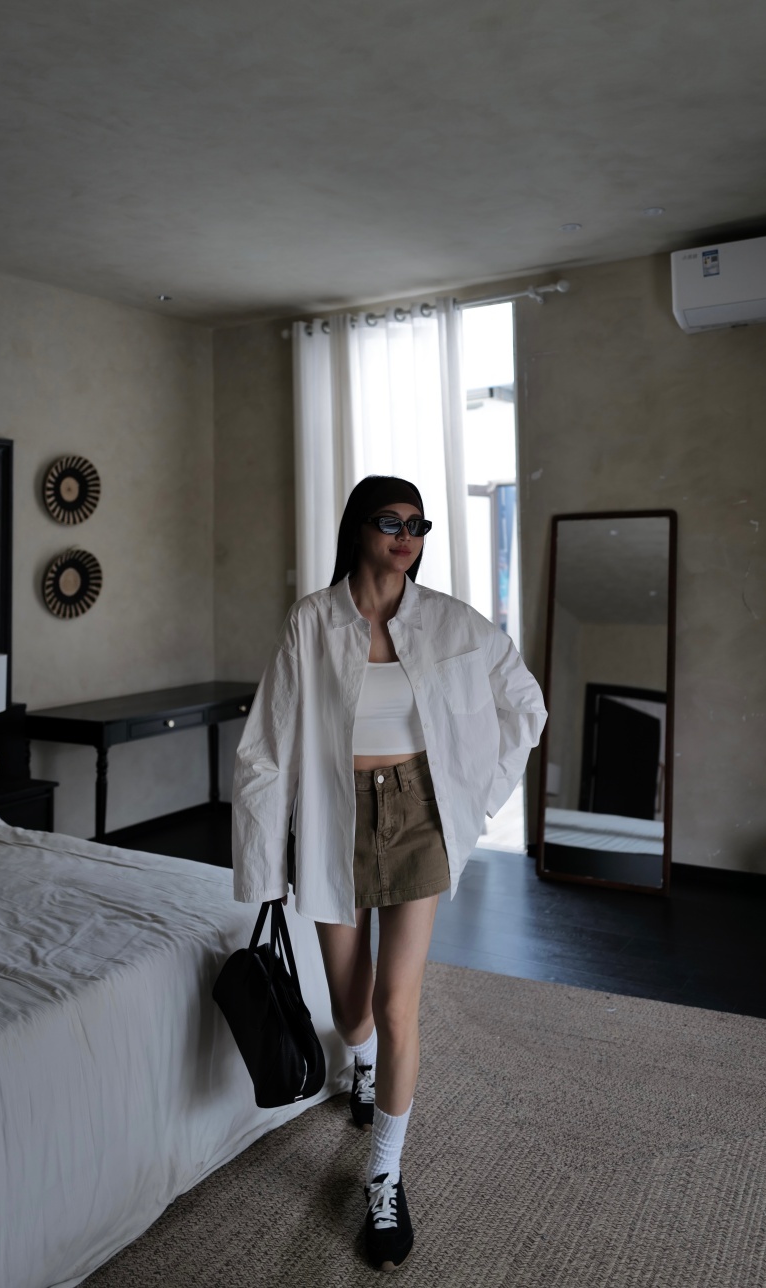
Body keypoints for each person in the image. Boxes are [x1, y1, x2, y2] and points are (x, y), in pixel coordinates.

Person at [232, 474, 547, 1271]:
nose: (407, 537)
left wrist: (480, 792)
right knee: (351, 1008)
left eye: (418, 524)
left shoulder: (451, 621)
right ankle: (362, 1067)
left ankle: (384, 1174)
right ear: (359, 529)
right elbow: (267, 748)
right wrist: (263, 865)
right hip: (333, 819)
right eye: (391, 521)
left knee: (395, 1003)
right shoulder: (311, 620)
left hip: (417, 819)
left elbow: (524, 705)